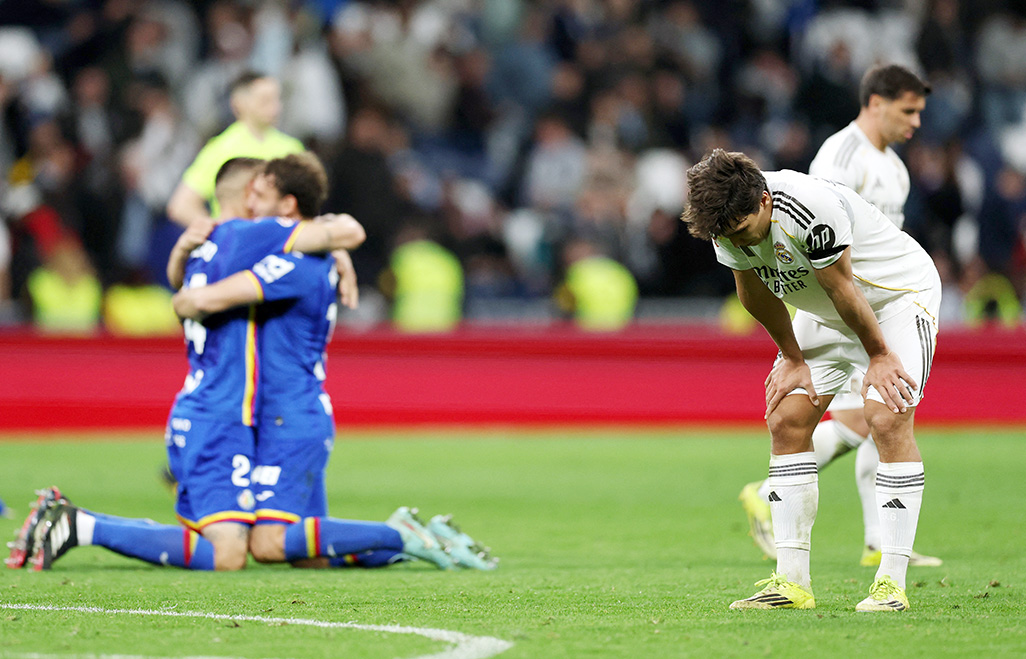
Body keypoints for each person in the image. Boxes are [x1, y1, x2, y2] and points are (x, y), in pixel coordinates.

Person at [7, 156, 369, 572]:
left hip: (212, 403)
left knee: (304, 552)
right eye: (260, 192)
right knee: (231, 552)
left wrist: (180, 263)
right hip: (223, 411)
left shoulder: (206, 243)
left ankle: (398, 542)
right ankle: (82, 526)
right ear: (251, 196)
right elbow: (350, 229)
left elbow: (183, 284)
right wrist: (333, 244)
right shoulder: (252, 236)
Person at [170, 153, 494, 571]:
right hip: (289, 412)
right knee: (311, 558)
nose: (254, 205)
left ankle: (402, 535)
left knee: (267, 544)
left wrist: (188, 297)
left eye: (262, 195)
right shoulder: (295, 250)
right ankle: (409, 543)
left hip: (288, 415)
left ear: (287, 206)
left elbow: (208, 295)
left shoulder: (282, 253)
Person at [682, 149, 941, 612]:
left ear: (764, 200)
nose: (735, 243)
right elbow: (753, 292)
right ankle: (791, 583)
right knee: (786, 417)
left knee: (885, 416)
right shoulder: (726, 219)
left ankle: (891, 584)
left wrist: (880, 356)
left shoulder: (809, 208)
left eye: (741, 232)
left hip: (893, 299)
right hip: (826, 307)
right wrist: (791, 356)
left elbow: (845, 288)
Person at [738, 64, 943, 568]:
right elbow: (816, 243)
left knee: (876, 417)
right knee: (864, 416)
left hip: (874, 299)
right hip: (838, 304)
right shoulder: (840, 154)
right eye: (908, 110)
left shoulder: (895, 168)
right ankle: (769, 495)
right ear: (876, 102)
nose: (916, 123)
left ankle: (878, 542)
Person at [166, 72, 304, 228]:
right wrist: (217, 232)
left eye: (276, 99)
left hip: (282, 244)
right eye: (265, 100)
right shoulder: (221, 148)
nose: (275, 107)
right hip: (239, 245)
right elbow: (181, 205)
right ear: (239, 103)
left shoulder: (292, 148)